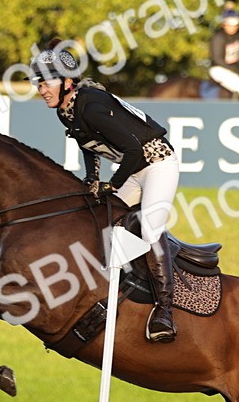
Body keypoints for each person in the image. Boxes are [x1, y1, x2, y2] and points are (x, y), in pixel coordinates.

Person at [31, 40, 180, 343]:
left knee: (151, 230)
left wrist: (112, 184)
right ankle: (116, 288)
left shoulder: (92, 105)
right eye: (39, 84)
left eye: (46, 83)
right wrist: (91, 178)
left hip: (158, 164)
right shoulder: (65, 109)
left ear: (67, 82)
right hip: (135, 169)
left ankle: (166, 311)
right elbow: (88, 146)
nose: (42, 89)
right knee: (99, 219)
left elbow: (134, 149)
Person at [209, 5, 239, 98]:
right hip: (218, 69)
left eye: (235, 25)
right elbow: (217, 59)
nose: (233, 28)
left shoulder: (236, 37)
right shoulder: (218, 38)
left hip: (231, 69)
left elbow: (238, 56)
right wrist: (234, 70)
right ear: (224, 24)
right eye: (230, 25)